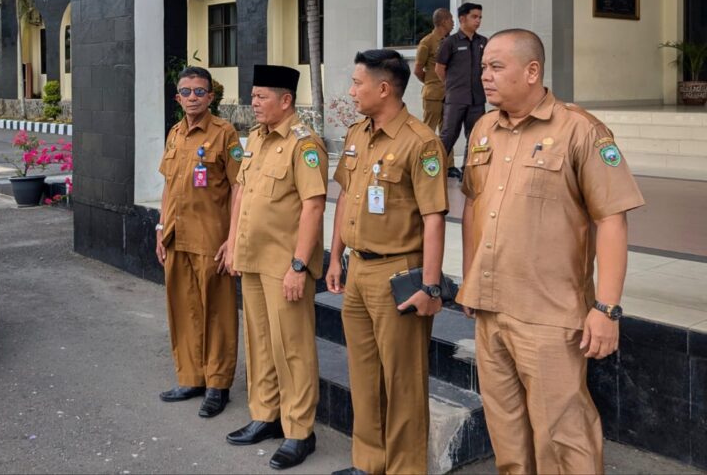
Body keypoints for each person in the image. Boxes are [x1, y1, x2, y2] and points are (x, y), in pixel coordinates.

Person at [458, 29, 645, 474]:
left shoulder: (580, 130)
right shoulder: (484, 128)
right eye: (484, 67)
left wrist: (607, 307)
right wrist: (469, 279)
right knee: (507, 433)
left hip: (550, 315)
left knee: (563, 439)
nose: (485, 76)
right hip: (490, 307)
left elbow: (612, 219)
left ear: (532, 71)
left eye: (496, 67)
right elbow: (472, 207)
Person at [326, 49, 449, 475]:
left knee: (403, 382)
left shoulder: (421, 142)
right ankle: (368, 462)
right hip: (357, 269)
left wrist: (430, 286)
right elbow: (345, 194)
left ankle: (404, 469)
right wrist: (336, 255)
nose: (351, 91)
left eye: (357, 83)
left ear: (383, 88)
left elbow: (434, 218)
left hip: (399, 273)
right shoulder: (358, 133)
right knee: (363, 374)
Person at [222, 64, 327, 471]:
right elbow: (241, 193)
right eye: (253, 95)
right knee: (260, 341)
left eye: (262, 96)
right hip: (251, 257)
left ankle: (300, 431)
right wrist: (232, 242)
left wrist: (299, 265)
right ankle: (265, 415)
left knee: (293, 347)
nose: (254, 102)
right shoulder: (256, 139)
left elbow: (313, 206)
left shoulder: (304, 144)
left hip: (284, 264)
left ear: (286, 100)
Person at [156, 67, 242, 419]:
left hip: (211, 238)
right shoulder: (174, 133)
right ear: (177, 97)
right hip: (177, 236)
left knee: (217, 314)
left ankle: (217, 384)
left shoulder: (225, 134)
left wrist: (232, 239)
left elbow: (240, 187)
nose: (192, 97)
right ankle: (191, 377)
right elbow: (167, 184)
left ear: (211, 97)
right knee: (183, 309)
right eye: (186, 91)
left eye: (199, 92)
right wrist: (161, 227)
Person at [435, 2, 487, 179]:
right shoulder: (450, 42)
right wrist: (451, 87)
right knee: (448, 136)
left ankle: (468, 172)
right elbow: (439, 69)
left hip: (477, 99)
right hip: (456, 98)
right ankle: (433, 171)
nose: (478, 21)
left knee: (475, 137)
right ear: (462, 18)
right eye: (474, 17)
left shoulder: (483, 42)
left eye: (480, 17)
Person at [414, 8, 454, 133]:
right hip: (433, 95)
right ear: (444, 21)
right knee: (428, 131)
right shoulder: (427, 42)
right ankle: (425, 153)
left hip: (448, 93)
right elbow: (418, 70)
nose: (453, 23)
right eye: (451, 20)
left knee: (447, 132)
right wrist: (431, 83)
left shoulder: (450, 42)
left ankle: (446, 154)